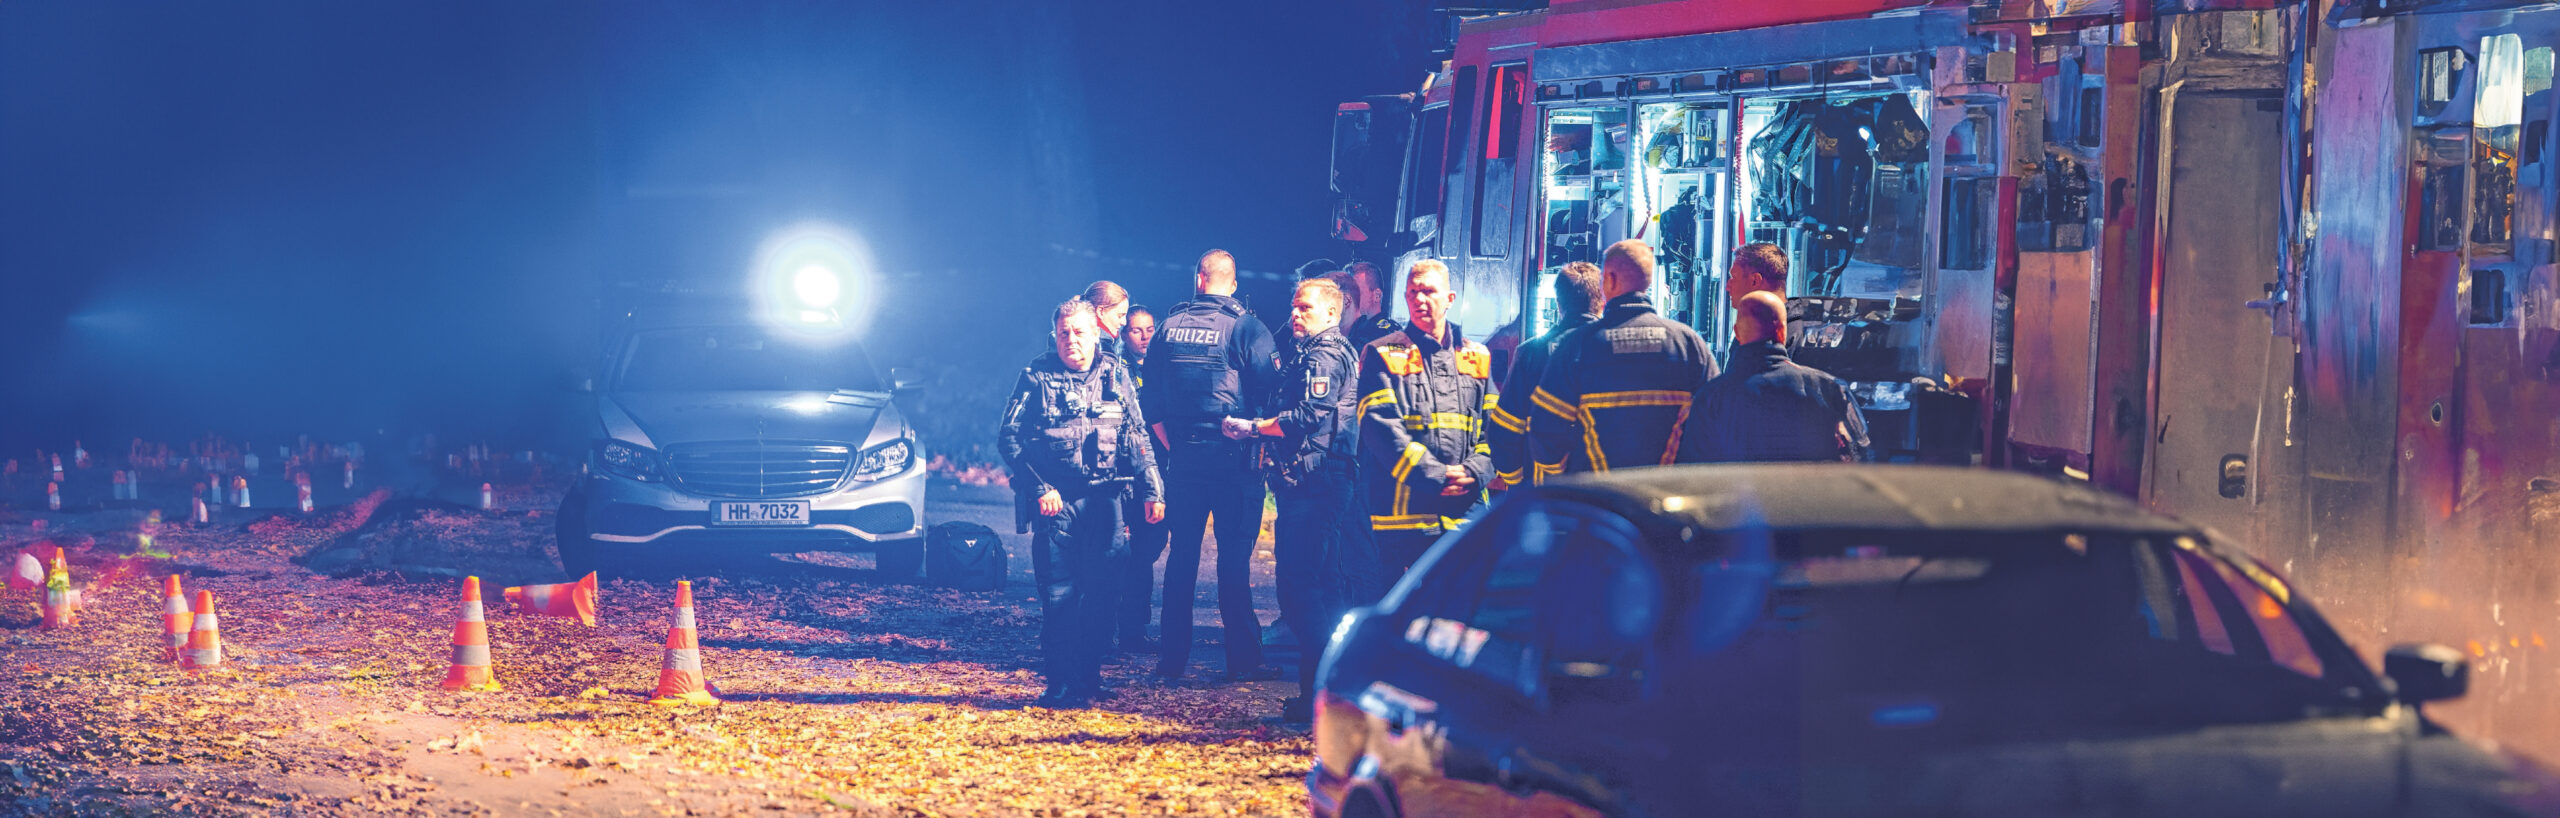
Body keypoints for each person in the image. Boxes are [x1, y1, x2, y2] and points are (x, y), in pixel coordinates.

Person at [997, 299, 1167, 707]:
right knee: (1059, 598)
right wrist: (1040, 488)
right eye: (1063, 333)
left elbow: (1137, 433)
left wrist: (1153, 488)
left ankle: (1088, 680)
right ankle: (1059, 685)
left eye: (1078, 332)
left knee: (1105, 594)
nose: (1070, 340)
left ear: (1096, 334)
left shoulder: (1116, 373)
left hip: (1107, 500)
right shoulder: (1035, 376)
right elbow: (1009, 438)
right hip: (1058, 505)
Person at [1223, 277, 1367, 725]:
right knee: (1320, 588)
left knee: (1299, 587)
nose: (1295, 314)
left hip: (1316, 484)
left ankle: (1322, 691)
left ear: (1331, 312)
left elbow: (1307, 416)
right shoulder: (1314, 351)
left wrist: (1253, 427)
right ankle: (1318, 695)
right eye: (1294, 306)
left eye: (1305, 307)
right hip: (1311, 483)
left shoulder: (1324, 354)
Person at [1141, 249, 1284, 682]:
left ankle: (1171, 663)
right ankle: (1243, 662)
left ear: (1198, 279)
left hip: (1184, 462)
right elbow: (1274, 392)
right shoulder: (1247, 327)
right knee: (1234, 563)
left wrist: (1175, 448)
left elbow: (1150, 402)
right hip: (1235, 464)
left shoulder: (1168, 327)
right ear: (1232, 283)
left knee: (1181, 560)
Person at [1527, 240, 1719, 480]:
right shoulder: (1689, 344)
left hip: (1598, 505)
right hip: (1668, 504)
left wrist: (1569, 478)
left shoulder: (1576, 346)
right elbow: (1717, 425)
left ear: (1610, 279)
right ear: (1647, 281)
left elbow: (1545, 432)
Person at [1358, 259, 1497, 576]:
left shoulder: (1477, 357)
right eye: (1412, 293)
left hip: (1467, 516)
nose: (1419, 300)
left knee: (1460, 616)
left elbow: (1496, 430)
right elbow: (1381, 430)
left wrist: (1475, 471)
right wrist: (1438, 476)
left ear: (1450, 299)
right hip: (1406, 520)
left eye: (1428, 291)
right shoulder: (1383, 353)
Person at [1677, 291, 1870, 463]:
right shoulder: (1828, 388)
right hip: (1811, 501)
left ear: (1737, 333)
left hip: (1736, 502)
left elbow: (1693, 469)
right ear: (1782, 331)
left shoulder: (1710, 398)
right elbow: (1859, 456)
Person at [1488, 261, 1604, 490]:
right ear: (1602, 303)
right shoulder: (1610, 351)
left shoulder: (1530, 353)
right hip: (1601, 498)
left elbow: (1503, 433)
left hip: (1544, 497)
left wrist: (1517, 483)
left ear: (1559, 304)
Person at [1116, 302, 1164, 651]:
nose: (1145, 336)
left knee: (1149, 548)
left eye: (1150, 329)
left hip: (1160, 470)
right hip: (1127, 474)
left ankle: (1135, 623)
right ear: (1124, 333)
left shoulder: (1165, 367)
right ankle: (1129, 628)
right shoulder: (1117, 370)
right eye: (1137, 330)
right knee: (1129, 552)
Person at [1341, 261, 1398, 350]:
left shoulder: (1388, 332)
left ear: (1377, 296)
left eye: (1355, 292)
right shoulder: (1350, 326)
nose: (1348, 298)